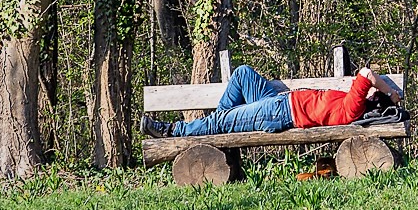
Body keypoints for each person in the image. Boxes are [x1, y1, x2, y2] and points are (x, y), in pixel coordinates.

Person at [141, 63, 401, 138]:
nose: (367, 90)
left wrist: (391, 93)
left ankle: (172, 131)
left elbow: (366, 73)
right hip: (279, 101)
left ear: (372, 100)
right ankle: (217, 126)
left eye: (371, 92)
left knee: (222, 120)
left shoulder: (354, 107)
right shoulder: (354, 104)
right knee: (242, 73)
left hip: (280, 113)